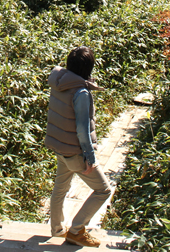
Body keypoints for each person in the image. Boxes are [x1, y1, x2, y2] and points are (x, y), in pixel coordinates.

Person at [45, 46, 112, 248]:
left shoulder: (59, 83)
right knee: (103, 190)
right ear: (88, 68)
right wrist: (90, 158)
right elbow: (82, 130)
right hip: (74, 151)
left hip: (60, 146)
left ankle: (57, 229)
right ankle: (76, 231)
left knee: (60, 187)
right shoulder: (81, 92)